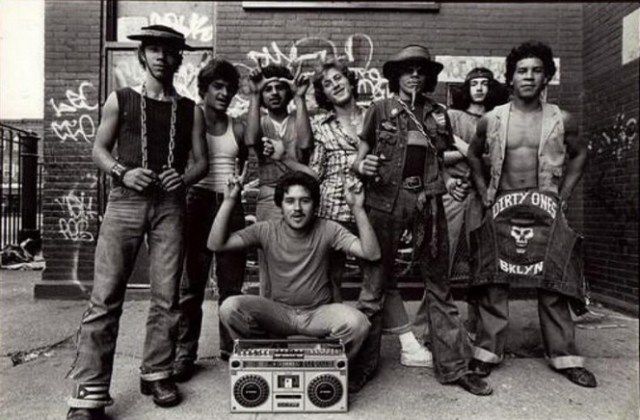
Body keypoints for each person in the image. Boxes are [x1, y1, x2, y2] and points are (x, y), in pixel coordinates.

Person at [66, 25, 207, 420]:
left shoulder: (190, 109)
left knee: (167, 295)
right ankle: (89, 392)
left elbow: (201, 163)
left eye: (170, 51)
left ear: (180, 59)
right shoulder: (121, 99)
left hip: (170, 206)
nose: (162, 56)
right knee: (106, 297)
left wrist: (186, 176)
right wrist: (122, 172)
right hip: (125, 201)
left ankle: (157, 372)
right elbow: (98, 149)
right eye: (154, 50)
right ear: (141, 56)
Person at [350, 45, 492, 396]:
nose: (414, 74)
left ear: (428, 77)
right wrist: (359, 166)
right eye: (407, 69)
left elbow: (443, 153)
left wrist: (451, 179)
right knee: (374, 286)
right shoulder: (379, 109)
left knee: (439, 285)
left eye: (420, 70)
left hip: (428, 202)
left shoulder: (437, 113)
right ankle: (361, 368)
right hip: (384, 202)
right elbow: (360, 157)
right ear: (396, 76)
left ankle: (454, 368)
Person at [466, 41, 596, 388]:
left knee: (554, 278)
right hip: (503, 201)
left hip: (545, 202)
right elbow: (473, 155)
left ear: (546, 77)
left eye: (536, 70)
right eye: (522, 70)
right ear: (511, 77)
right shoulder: (492, 118)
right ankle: (486, 354)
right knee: (493, 279)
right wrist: (484, 193)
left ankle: (565, 357)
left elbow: (580, 154)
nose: (528, 76)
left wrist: (563, 195)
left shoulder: (562, 118)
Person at [309, 57, 432, 366]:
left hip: (375, 205)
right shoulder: (320, 126)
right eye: (327, 83)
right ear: (323, 93)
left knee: (380, 276)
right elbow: (315, 172)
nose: (335, 84)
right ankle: (337, 341)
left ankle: (407, 346)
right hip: (333, 208)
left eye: (339, 78)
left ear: (351, 81)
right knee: (331, 278)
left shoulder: (378, 113)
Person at [209, 170, 378, 384]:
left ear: (315, 205)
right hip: (279, 314)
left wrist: (357, 208)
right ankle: (270, 353)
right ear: (280, 205)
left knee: (358, 323)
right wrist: (229, 201)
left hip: (318, 313)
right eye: (290, 201)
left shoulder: (329, 229)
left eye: (304, 201)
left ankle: (324, 367)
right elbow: (216, 245)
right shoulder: (266, 230)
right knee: (229, 307)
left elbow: (371, 253)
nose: (297, 209)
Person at [414, 67, 508, 337]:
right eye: (474, 83)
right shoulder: (451, 116)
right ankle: (424, 331)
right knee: (441, 262)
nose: (479, 88)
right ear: (466, 89)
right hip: (452, 194)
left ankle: (477, 329)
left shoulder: (497, 118)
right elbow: (434, 155)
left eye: (484, 83)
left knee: (482, 263)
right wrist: (449, 178)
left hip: (483, 196)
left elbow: (496, 161)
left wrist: (465, 150)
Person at [173, 58, 248, 382]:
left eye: (229, 88)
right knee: (192, 286)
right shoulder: (191, 119)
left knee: (231, 286)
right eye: (218, 86)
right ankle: (184, 354)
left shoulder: (237, 126)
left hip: (230, 204)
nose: (224, 93)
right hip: (197, 203)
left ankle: (231, 349)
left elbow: (242, 163)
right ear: (203, 89)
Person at [244, 62, 315, 297]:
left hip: (298, 196)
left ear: (288, 91)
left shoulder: (298, 118)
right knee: (269, 261)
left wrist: (300, 98)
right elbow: (251, 141)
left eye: (279, 88)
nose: (274, 93)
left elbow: (305, 145)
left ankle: (297, 314)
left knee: (298, 257)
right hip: (269, 198)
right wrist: (254, 95)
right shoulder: (260, 120)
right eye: (268, 89)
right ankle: (270, 316)